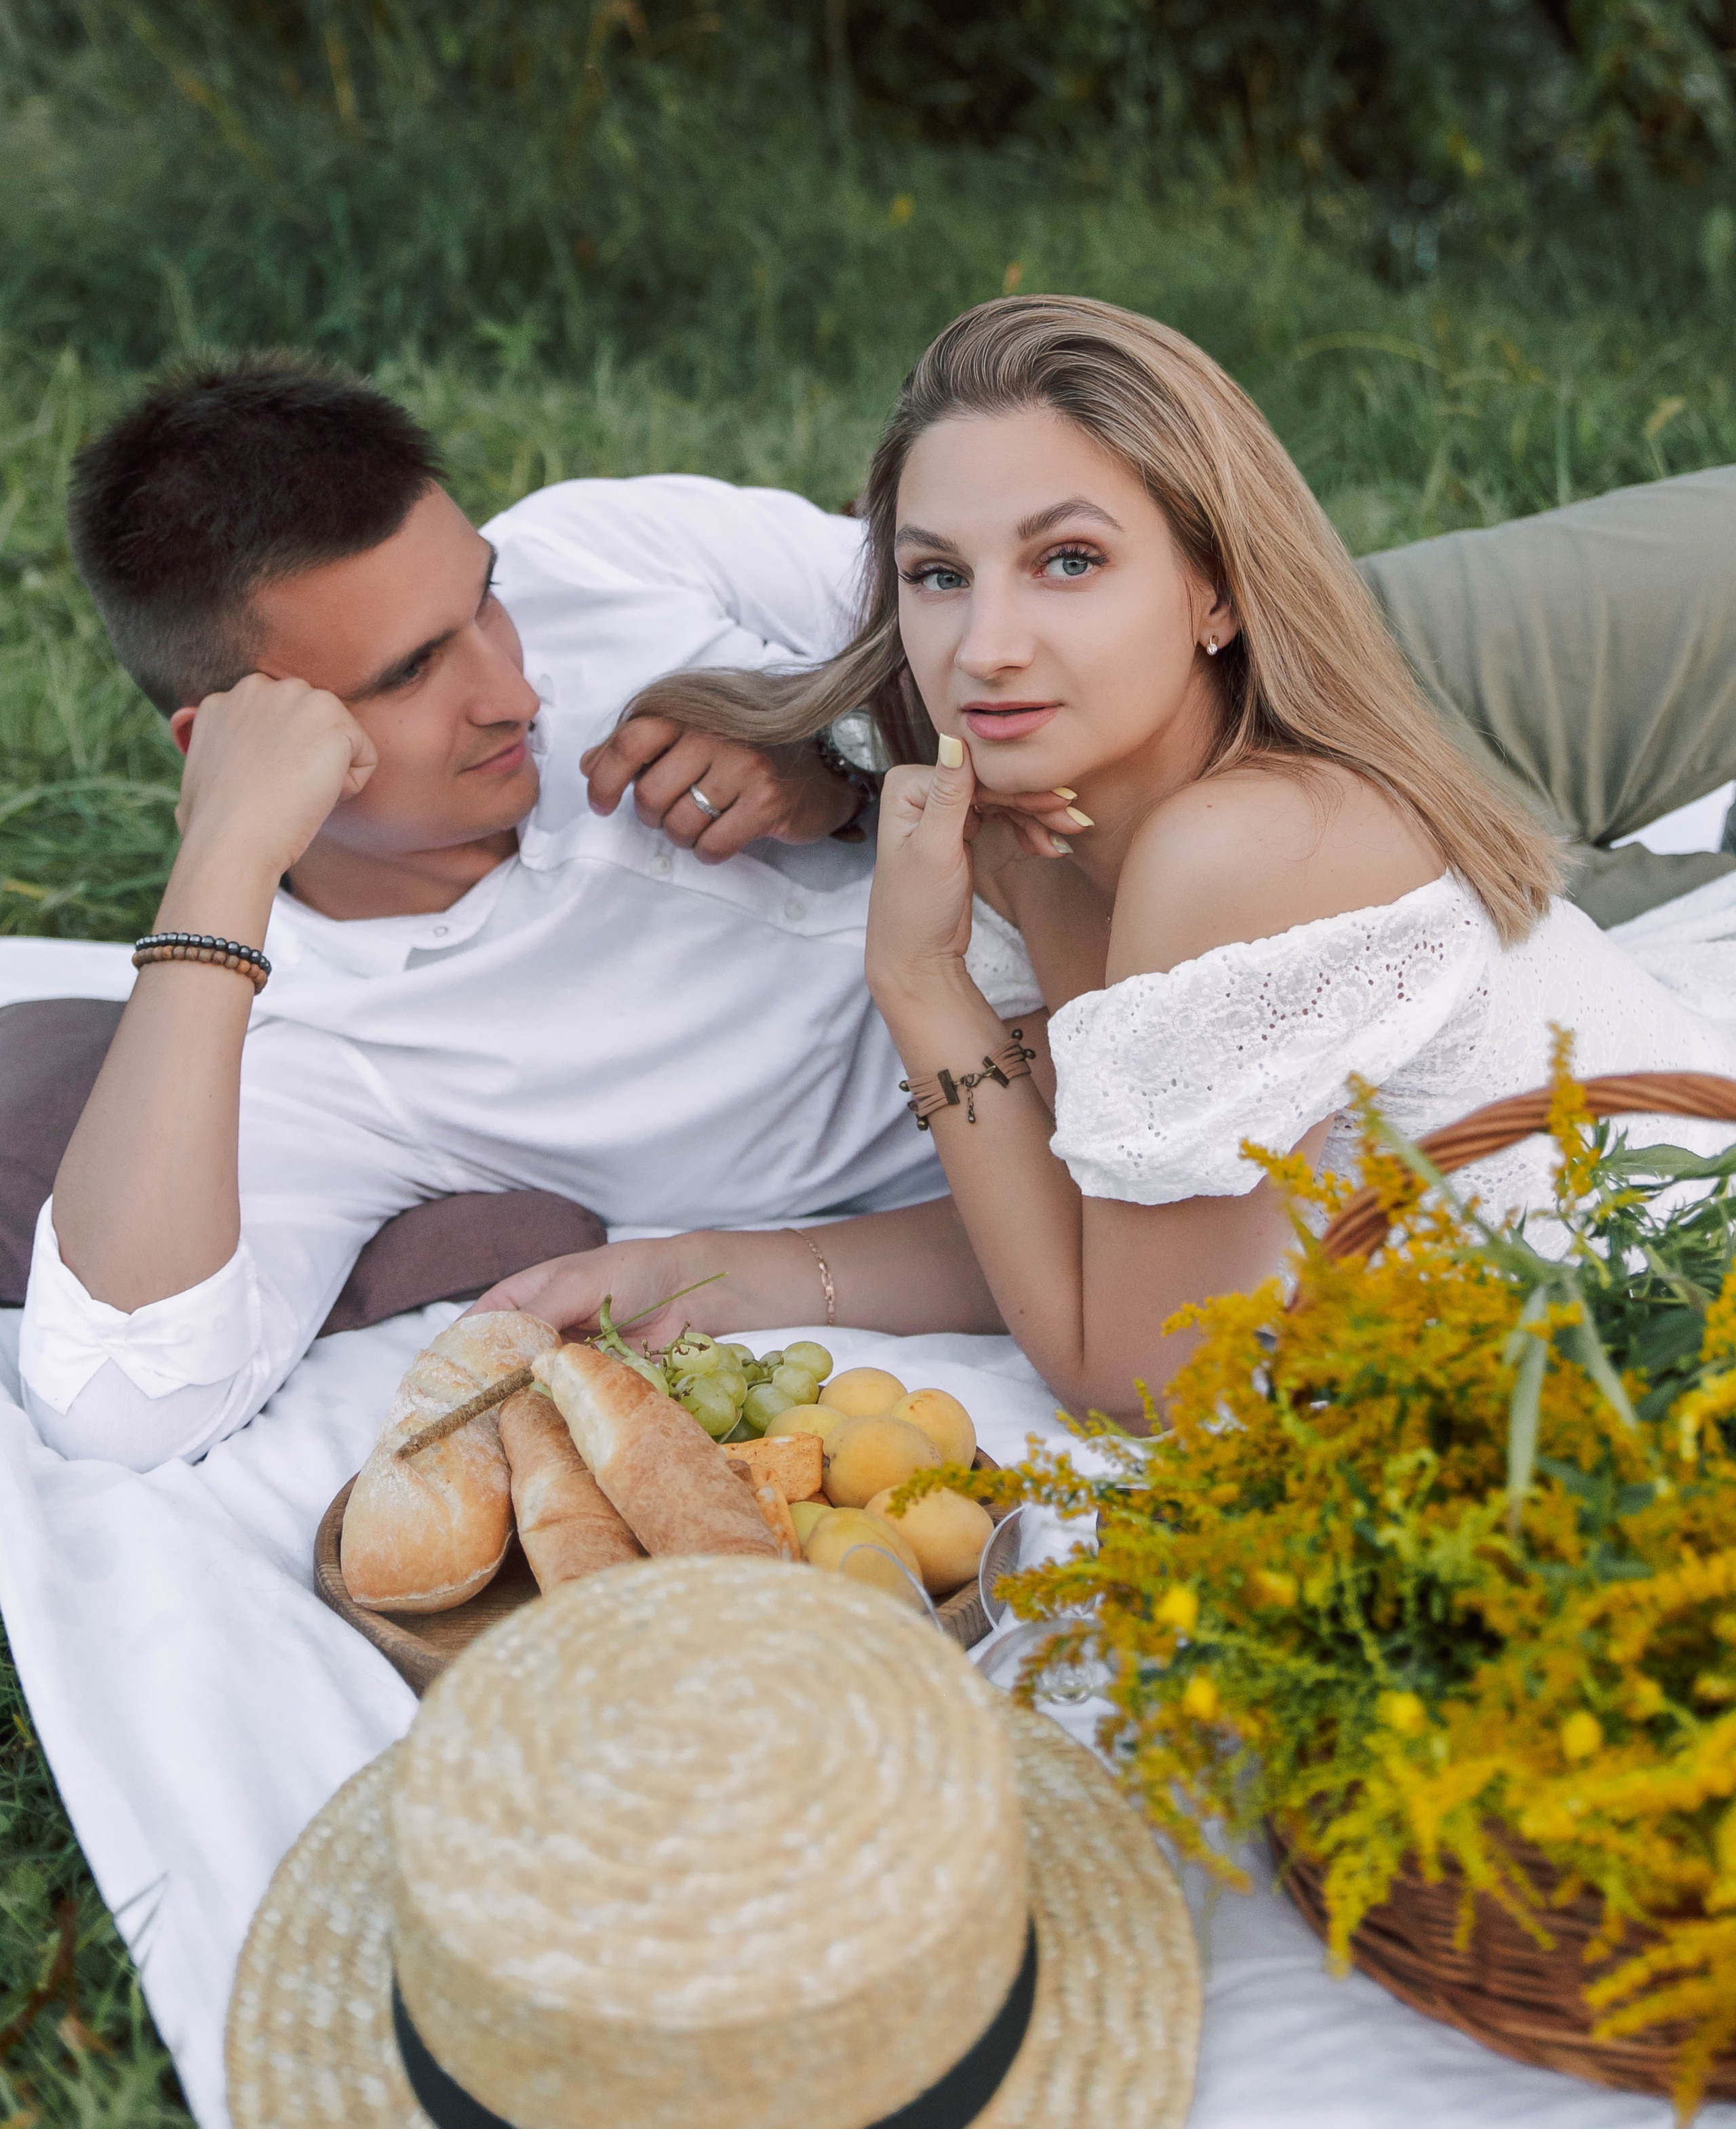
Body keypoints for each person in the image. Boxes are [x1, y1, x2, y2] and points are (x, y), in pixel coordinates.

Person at [511, 296, 1736, 1420]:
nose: (986, 644)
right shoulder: (1031, 824)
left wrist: (922, 984)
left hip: (1674, 1288)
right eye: (940, 574)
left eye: (1069, 561)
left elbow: (1145, 1378)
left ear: (1216, 590)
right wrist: (720, 1273)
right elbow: (1107, 1234)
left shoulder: (1239, 849)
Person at [15, 353, 1018, 1470]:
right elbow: (121, 1403)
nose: (515, 695)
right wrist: (221, 863)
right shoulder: (329, 1066)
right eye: (408, 676)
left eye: (484, 595)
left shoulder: (596, 549)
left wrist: (840, 753)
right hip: (1053, 1148)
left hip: (1154, 874)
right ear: (237, 744)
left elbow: (1020, 607)